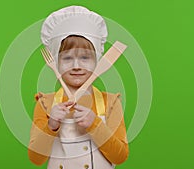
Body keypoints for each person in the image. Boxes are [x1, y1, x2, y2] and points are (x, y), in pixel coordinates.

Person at [28, 5, 129, 169]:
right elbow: (36, 158)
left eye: (85, 57)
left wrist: (94, 124)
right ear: (56, 63)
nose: (76, 66)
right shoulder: (45, 103)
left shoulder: (110, 102)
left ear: (97, 60)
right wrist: (51, 125)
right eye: (67, 58)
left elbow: (120, 156)